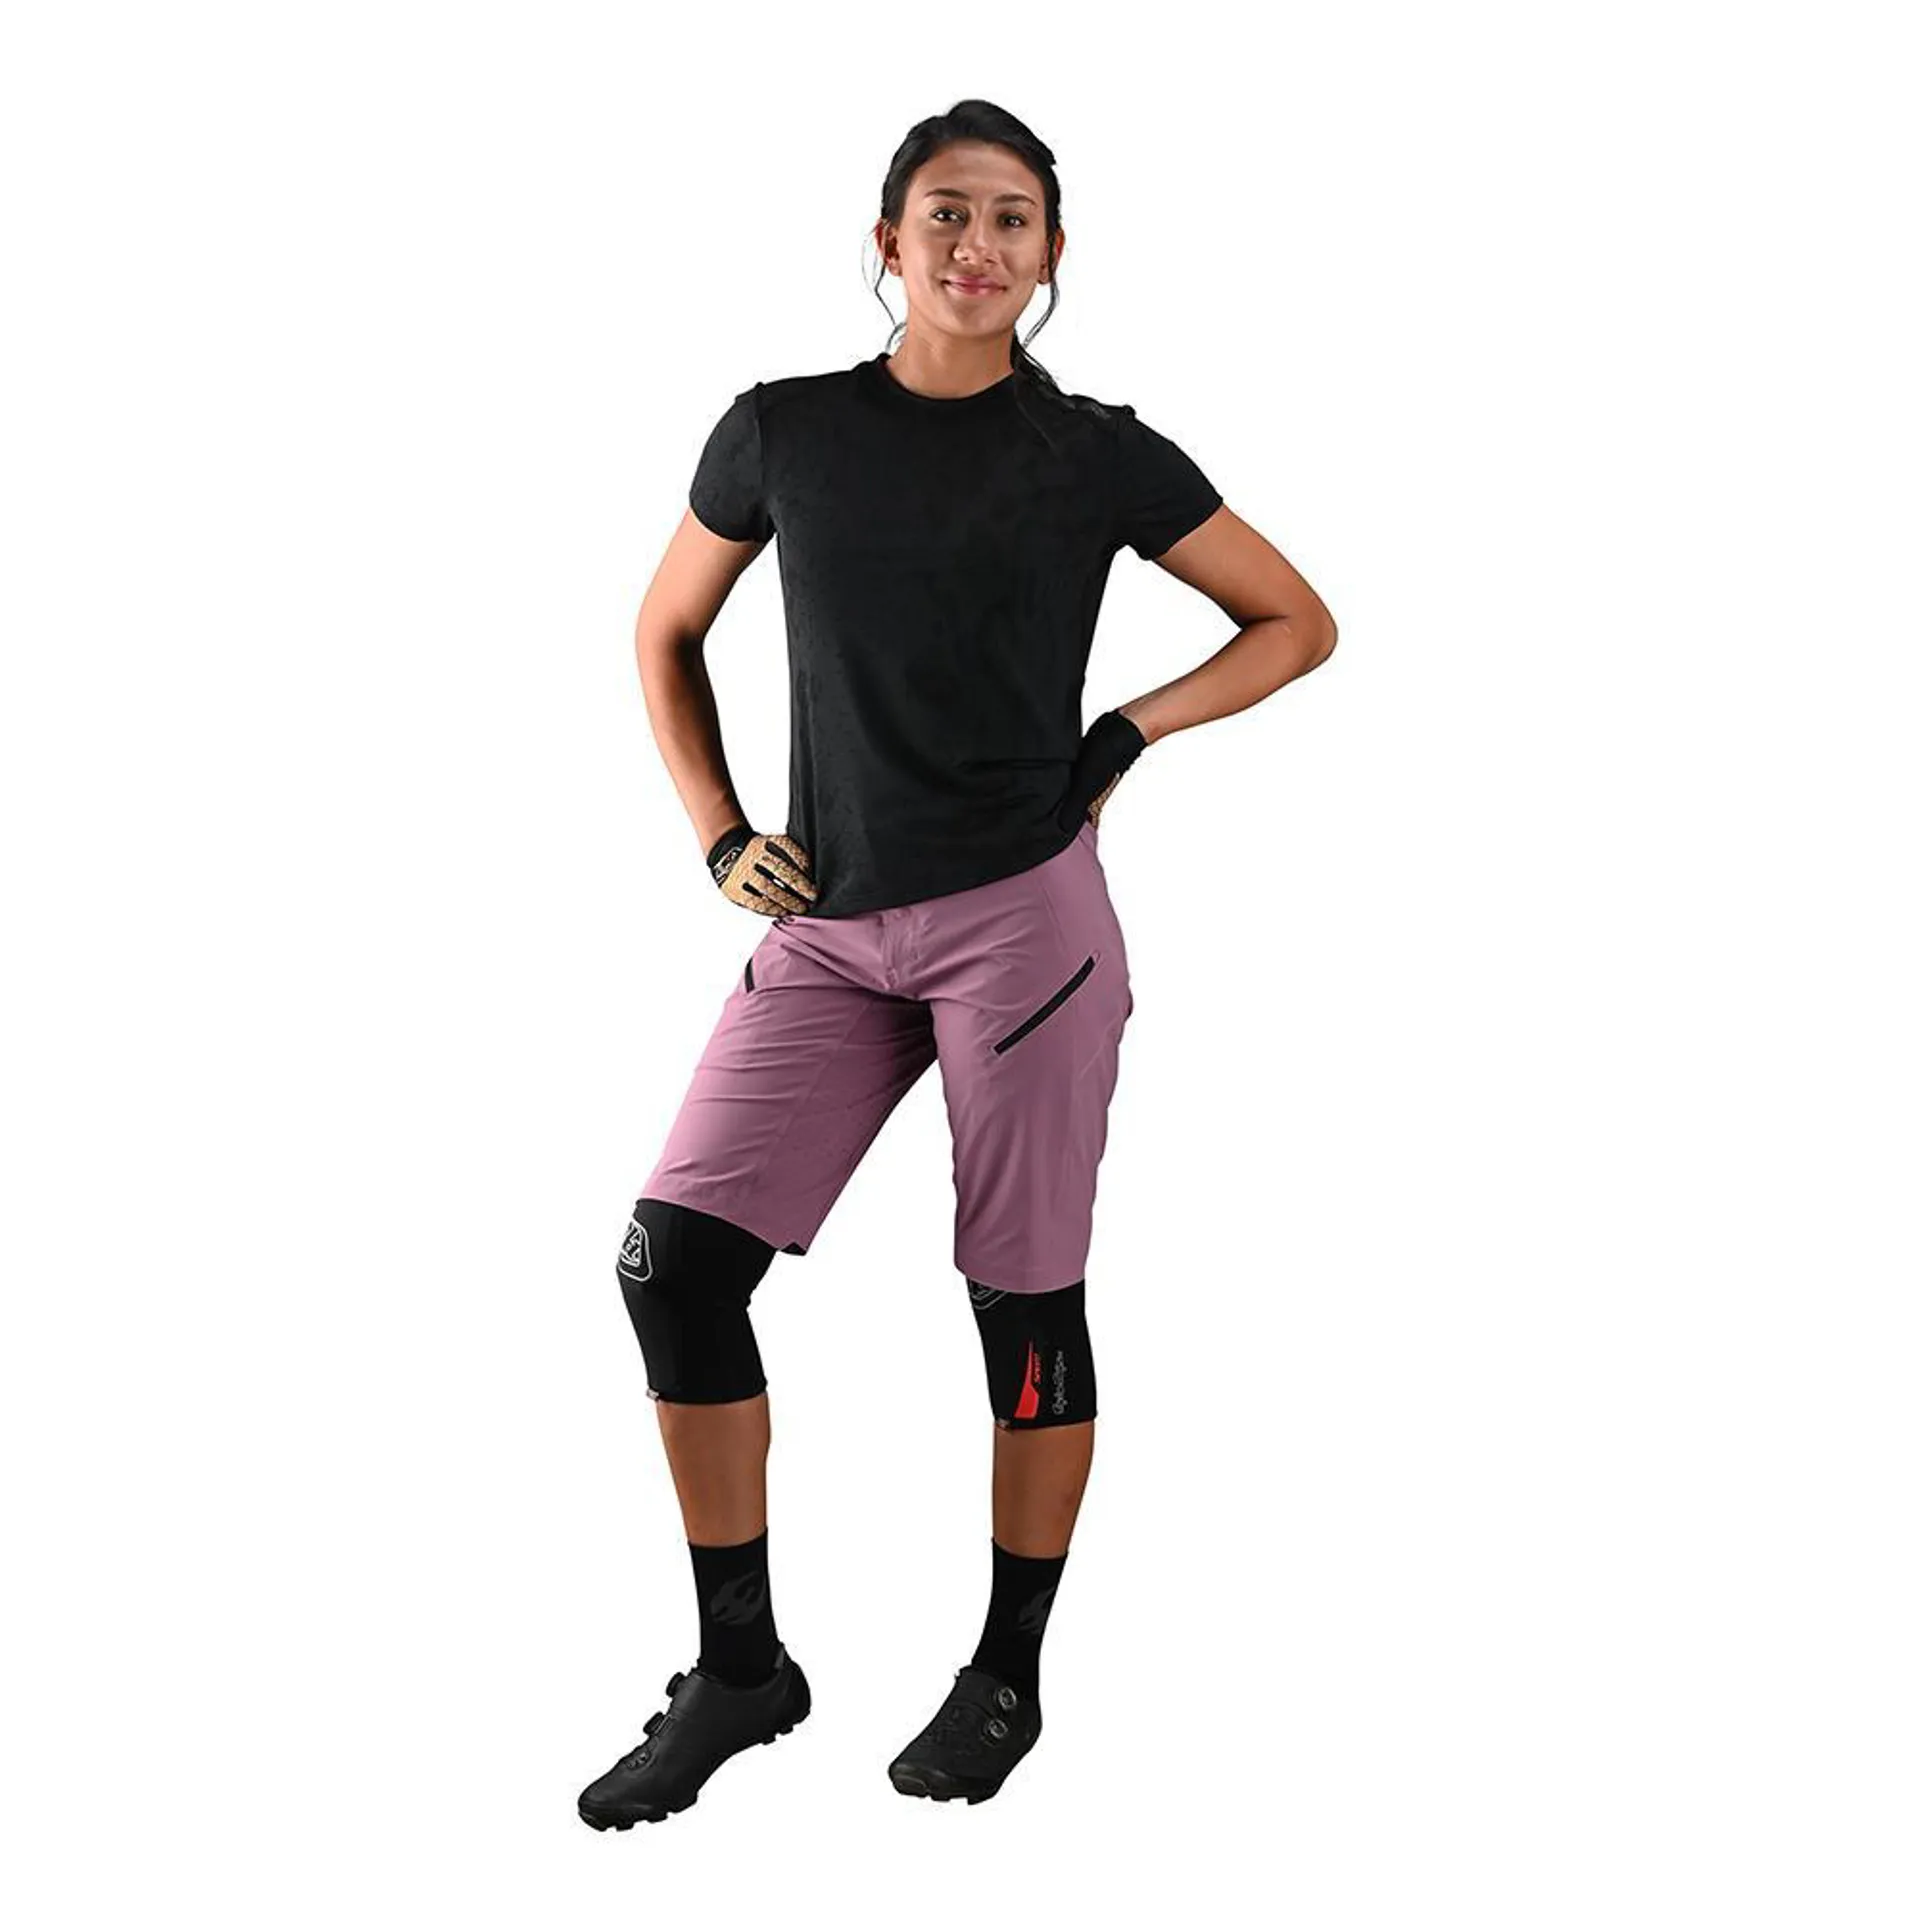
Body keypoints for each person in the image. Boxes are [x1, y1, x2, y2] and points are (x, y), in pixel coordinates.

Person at [578, 98, 1337, 1830]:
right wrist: (719, 830)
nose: (976, 244)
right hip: (830, 928)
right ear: (888, 240)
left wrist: (1130, 729)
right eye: (945, 213)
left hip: (1025, 928)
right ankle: (742, 1672)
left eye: (1010, 218)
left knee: (1022, 1308)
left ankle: (1007, 1676)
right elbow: (666, 629)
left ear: (1052, 255)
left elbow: (1297, 621)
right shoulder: (782, 431)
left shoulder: (1099, 455)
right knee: (671, 1268)